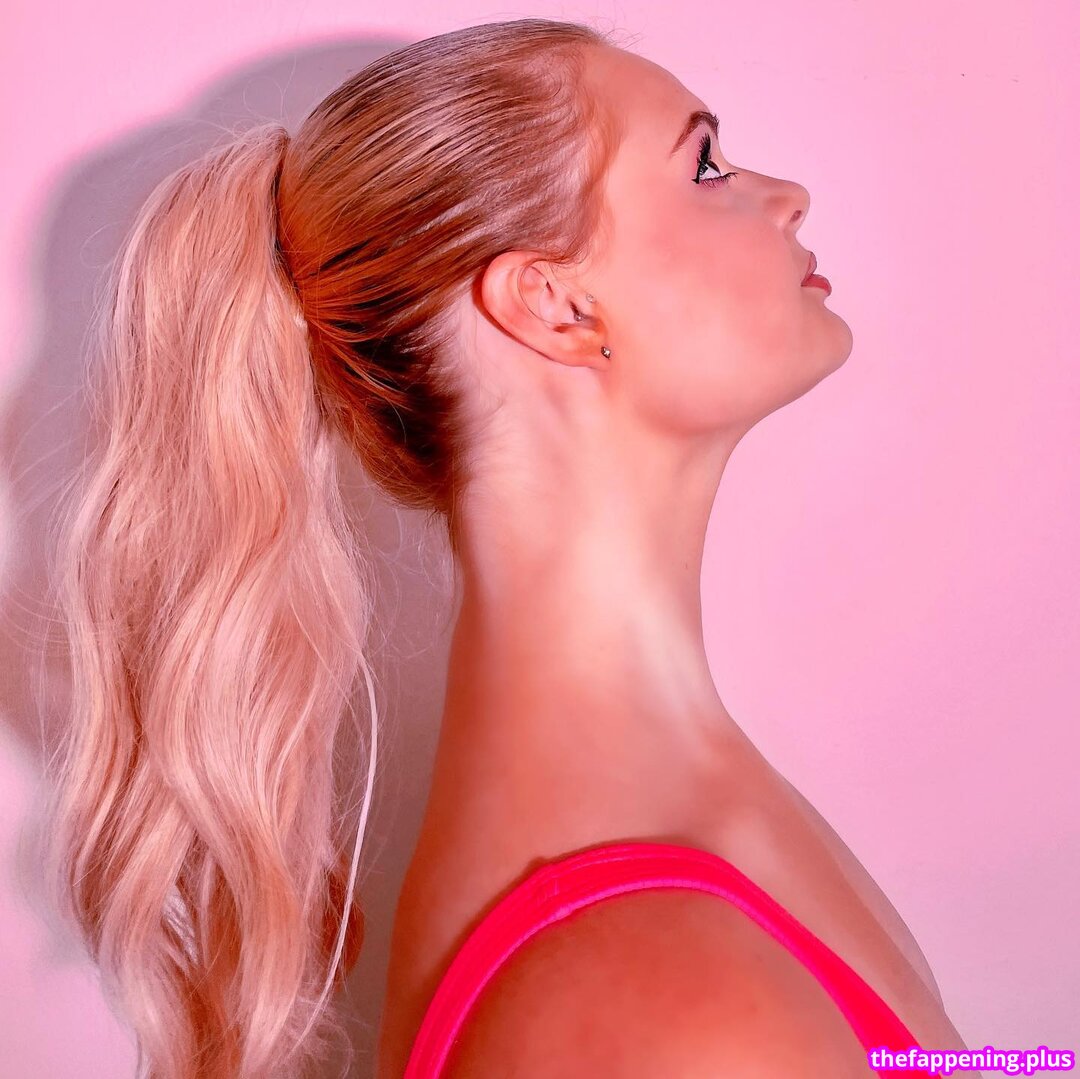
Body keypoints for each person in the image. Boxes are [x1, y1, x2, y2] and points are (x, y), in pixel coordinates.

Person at [39, 16, 976, 1079]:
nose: (789, 194)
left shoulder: (675, 839)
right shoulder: (664, 1001)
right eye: (706, 164)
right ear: (556, 306)